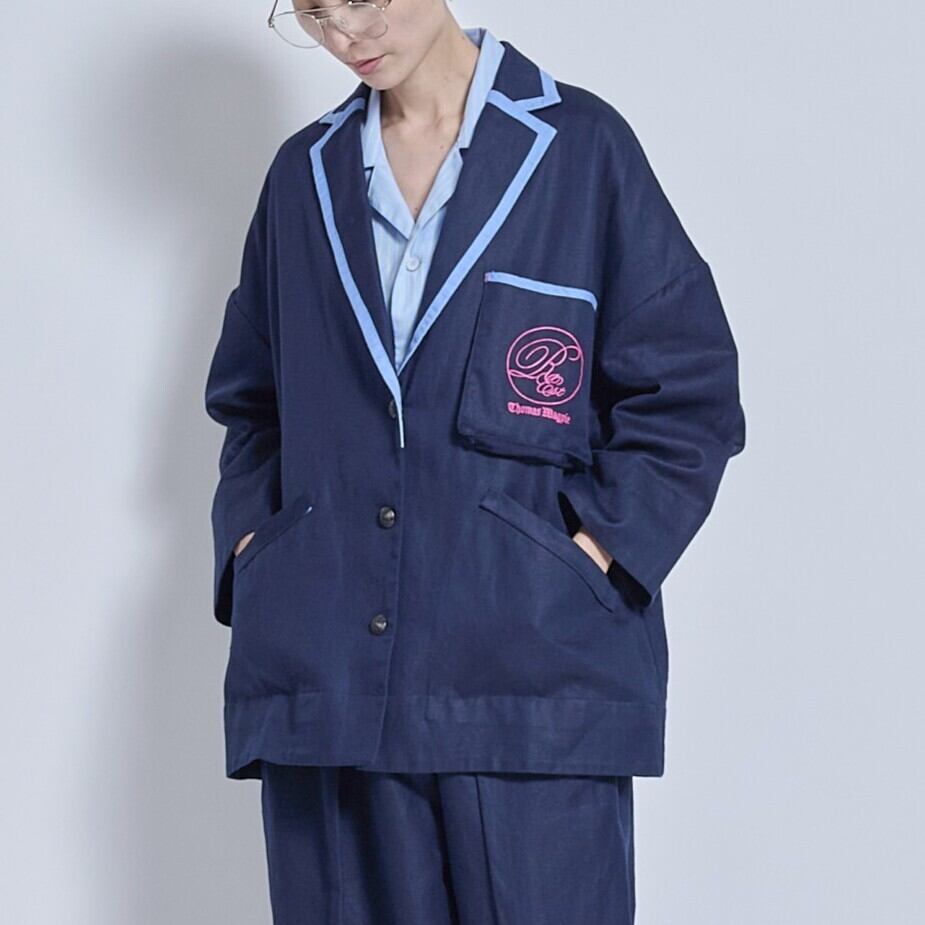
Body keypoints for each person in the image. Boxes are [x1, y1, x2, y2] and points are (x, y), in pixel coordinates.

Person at [203, 1, 747, 922]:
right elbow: (252, 402)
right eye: (313, 12)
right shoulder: (305, 175)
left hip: (531, 677)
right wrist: (259, 552)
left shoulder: (579, 150)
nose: (344, 34)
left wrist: (593, 555)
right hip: (328, 682)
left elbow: (686, 387)